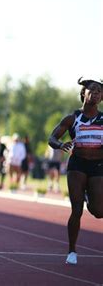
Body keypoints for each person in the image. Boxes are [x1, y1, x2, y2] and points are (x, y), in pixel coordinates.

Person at [48, 77, 103, 265]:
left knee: (98, 211)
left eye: (99, 92)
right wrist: (60, 144)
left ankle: (90, 196)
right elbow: (52, 137)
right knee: (76, 209)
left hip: (98, 166)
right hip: (77, 165)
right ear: (83, 93)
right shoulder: (73, 118)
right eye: (92, 90)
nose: (95, 94)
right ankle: (72, 251)